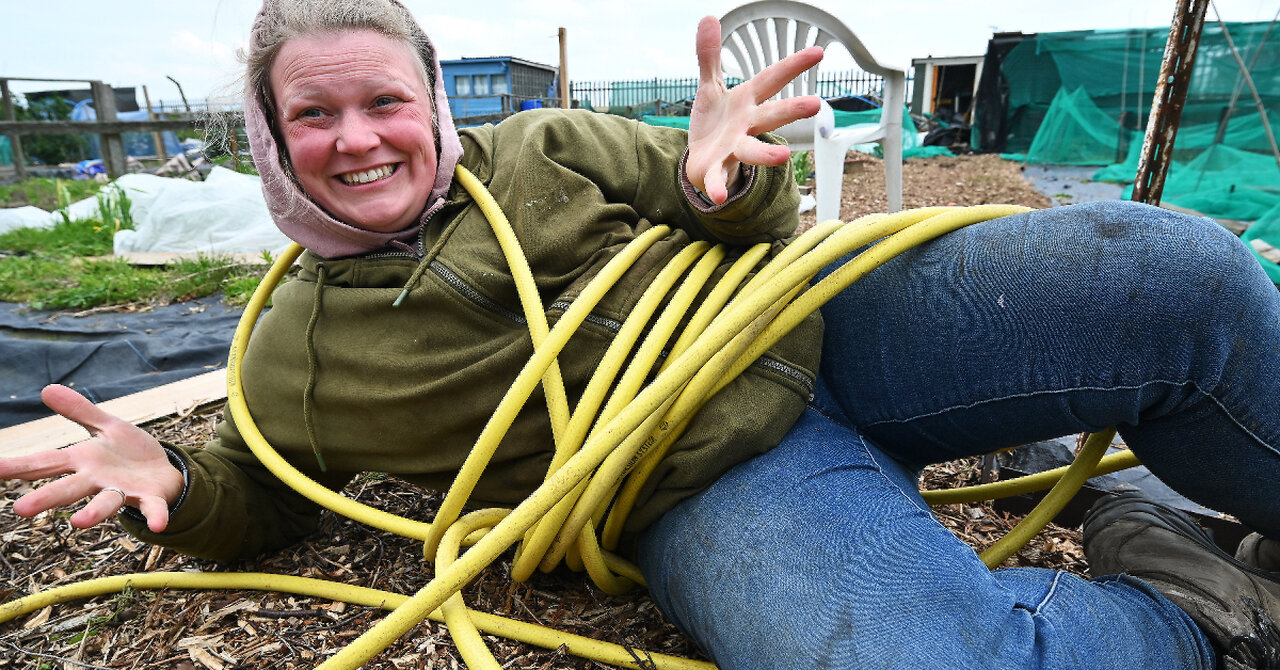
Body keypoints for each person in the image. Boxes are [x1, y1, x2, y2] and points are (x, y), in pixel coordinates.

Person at [3, 1, 1279, 668]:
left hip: (819, 317)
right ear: (272, 136)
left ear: (430, 100)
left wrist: (732, 178)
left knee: (1172, 273)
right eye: (315, 115)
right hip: (694, 481)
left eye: (383, 100)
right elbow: (267, 489)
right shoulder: (296, 349)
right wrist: (180, 480)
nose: (358, 139)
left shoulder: (546, 146)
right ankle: (1187, 602)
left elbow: (717, 200)